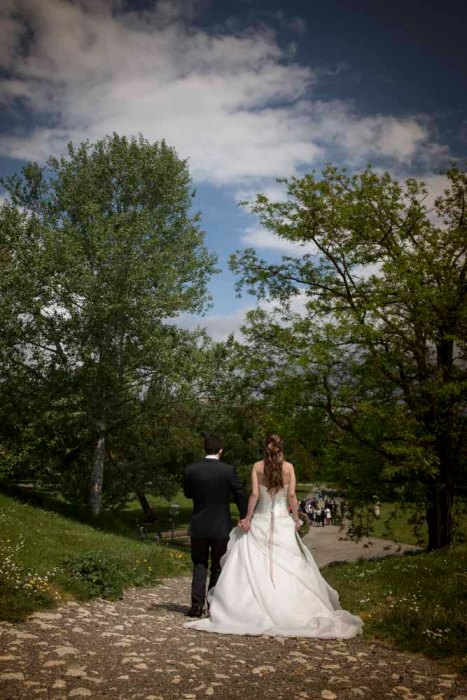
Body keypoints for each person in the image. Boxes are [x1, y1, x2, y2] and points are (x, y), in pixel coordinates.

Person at [185, 434, 363, 638]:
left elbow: (254, 495)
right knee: (290, 564)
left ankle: (217, 606)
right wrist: (296, 519)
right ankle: (287, 605)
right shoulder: (289, 468)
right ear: (281, 448)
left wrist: (248, 518)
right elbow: (292, 496)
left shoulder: (257, 467)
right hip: (281, 522)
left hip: (259, 519)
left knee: (237, 562)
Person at [183, 435, 248, 618]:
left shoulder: (191, 470)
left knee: (199, 563)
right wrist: (244, 516)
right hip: (221, 525)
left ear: (204, 449)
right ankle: (213, 605)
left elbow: (187, 494)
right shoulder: (228, 470)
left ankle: (196, 606)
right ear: (220, 450)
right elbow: (240, 494)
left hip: (199, 525)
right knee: (218, 566)